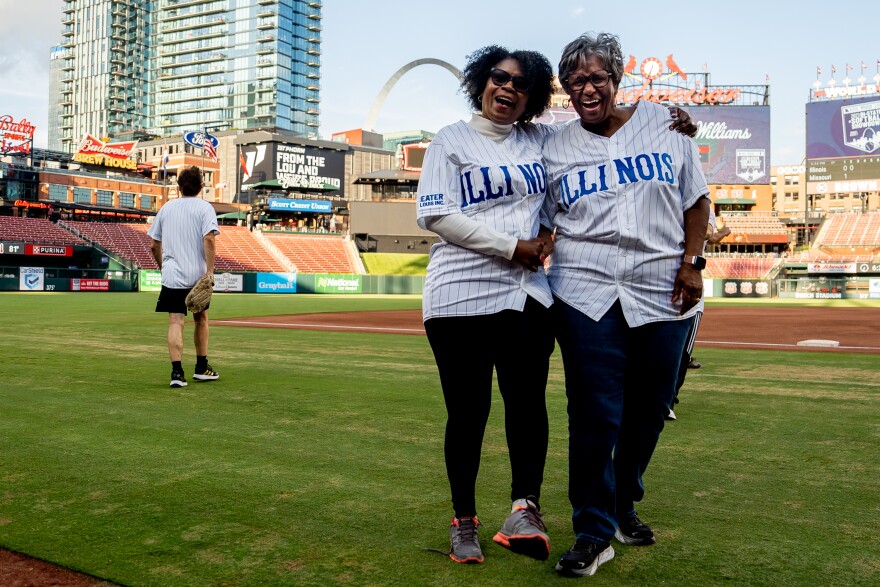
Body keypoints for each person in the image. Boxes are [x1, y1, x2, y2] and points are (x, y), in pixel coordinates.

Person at [542, 32, 711, 577]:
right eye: (575, 82)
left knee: (650, 408)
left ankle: (622, 501)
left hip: (663, 287)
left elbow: (697, 199)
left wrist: (693, 262)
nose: (586, 89)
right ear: (565, 89)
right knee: (593, 414)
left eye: (596, 78)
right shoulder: (553, 145)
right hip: (584, 291)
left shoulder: (666, 124)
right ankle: (593, 530)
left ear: (617, 80)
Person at [417, 45, 558, 565]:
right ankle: (465, 520)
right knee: (469, 412)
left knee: (528, 407)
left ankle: (524, 510)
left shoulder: (540, 139)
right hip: (459, 297)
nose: (508, 89)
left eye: (521, 85)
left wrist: (662, 120)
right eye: (500, 77)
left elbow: (595, 135)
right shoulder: (451, 140)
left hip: (526, 296)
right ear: (481, 81)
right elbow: (436, 215)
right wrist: (511, 247)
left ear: (533, 99)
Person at [148, 166, 220, 388]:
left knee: (175, 321)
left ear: (179, 188)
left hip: (173, 276)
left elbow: (153, 245)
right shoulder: (205, 207)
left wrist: (163, 267)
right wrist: (210, 271)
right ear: (201, 187)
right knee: (201, 319)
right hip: (197, 276)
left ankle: (177, 373)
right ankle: (201, 367)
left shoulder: (167, 208)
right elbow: (209, 239)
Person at [668, 222, 730, 420]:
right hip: (659, 282)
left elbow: (708, 233)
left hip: (689, 290)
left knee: (683, 351)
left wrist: (721, 232)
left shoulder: (702, 203)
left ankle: (668, 401)